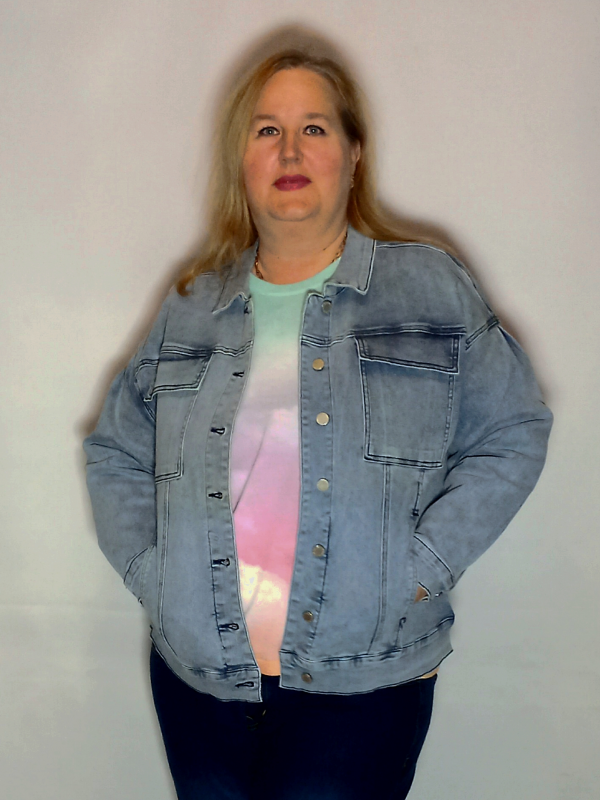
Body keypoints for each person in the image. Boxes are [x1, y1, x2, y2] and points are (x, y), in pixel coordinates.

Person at [83, 48, 553, 800]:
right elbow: (115, 450)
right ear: (241, 159)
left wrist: (422, 567)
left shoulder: (426, 286)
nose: (291, 151)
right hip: (200, 682)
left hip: (361, 689)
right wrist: (153, 573)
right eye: (267, 130)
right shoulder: (193, 306)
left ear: (354, 152)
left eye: (315, 128)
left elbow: (514, 429)